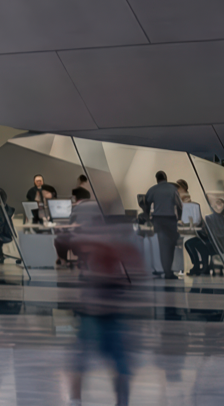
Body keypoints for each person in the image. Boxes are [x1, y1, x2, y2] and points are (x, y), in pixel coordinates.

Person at [66, 214, 134, 406]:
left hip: (96, 313)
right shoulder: (111, 251)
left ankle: (76, 401)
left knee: (82, 361)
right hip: (104, 314)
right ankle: (120, 402)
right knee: (118, 364)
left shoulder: (98, 250)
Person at [142, 170, 182, 277]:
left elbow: (146, 204)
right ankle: (169, 271)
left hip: (158, 220)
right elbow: (179, 205)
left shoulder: (153, 189)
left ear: (157, 179)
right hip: (171, 219)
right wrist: (179, 218)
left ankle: (166, 271)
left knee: (162, 246)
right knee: (171, 245)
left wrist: (147, 218)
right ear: (166, 178)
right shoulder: (173, 189)